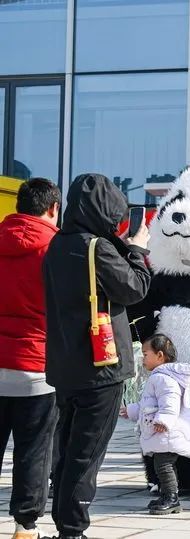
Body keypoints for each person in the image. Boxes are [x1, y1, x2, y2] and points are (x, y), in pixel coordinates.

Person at [43, 173, 151, 539]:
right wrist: (136, 250)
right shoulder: (98, 248)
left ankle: (65, 524)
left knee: (67, 447)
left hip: (64, 364)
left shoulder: (57, 246)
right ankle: (73, 529)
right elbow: (135, 289)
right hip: (100, 366)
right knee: (86, 453)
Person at [0, 178, 61, 539]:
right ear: (53, 208)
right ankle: (25, 527)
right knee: (33, 452)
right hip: (36, 367)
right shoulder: (56, 250)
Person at [120, 334, 190, 515]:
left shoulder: (162, 378)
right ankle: (168, 495)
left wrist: (164, 421)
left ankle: (171, 498)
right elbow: (148, 405)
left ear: (159, 355)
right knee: (164, 465)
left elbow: (170, 402)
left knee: (163, 466)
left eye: (145, 354)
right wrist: (131, 410)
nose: (142, 359)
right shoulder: (163, 376)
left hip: (167, 432)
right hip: (167, 431)